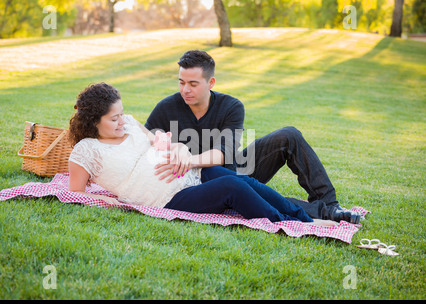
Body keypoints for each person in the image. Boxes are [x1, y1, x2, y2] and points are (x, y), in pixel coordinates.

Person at [67, 82, 338, 226]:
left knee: (243, 180)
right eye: (113, 119)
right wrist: (115, 204)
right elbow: (74, 193)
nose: (121, 122)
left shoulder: (130, 121)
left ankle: (305, 217)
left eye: (121, 114)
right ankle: (290, 224)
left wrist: (179, 148)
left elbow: (158, 142)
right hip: (168, 197)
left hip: (190, 173)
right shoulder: (86, 151)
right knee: (232, 186)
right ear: (93, 121)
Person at [144, 50, 360, 224]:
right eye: (181, 82)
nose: (185, 90)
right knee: (253, 195)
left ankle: (329, 204)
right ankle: (322, 213)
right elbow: (146, 139)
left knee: (289, 135)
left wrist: (189, 159)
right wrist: (167, 142)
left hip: (233, 169)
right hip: (195, 183)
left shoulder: (231, 106)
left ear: (211, 83)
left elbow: (225, 153)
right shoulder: (166, 107)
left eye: (193, 84)